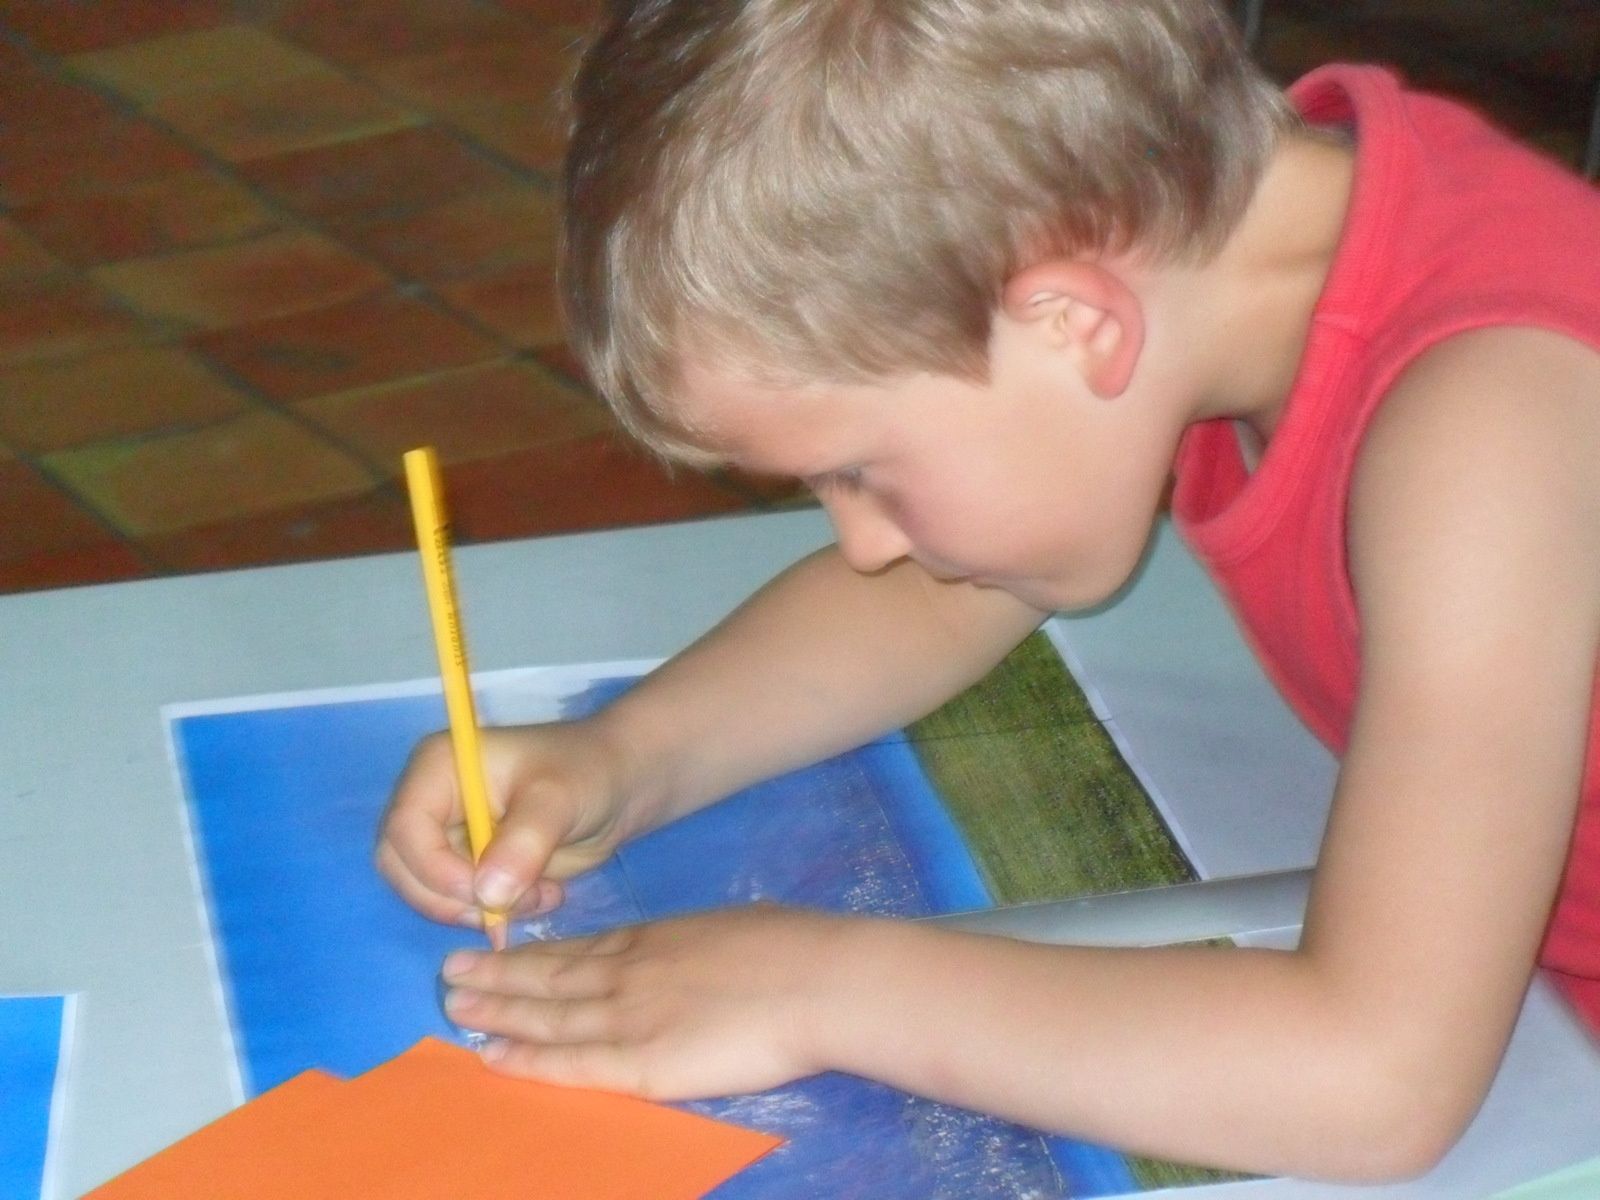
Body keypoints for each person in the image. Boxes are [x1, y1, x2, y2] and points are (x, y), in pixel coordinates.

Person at [376, 0, 1600, 1181]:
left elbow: (1372, 1081)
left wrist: (814, 987)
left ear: (1071, 323)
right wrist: (623, 757)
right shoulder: (1217, 240)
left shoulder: (1491, 424)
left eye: (860, 471)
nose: (862, 543)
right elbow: (947, 593)